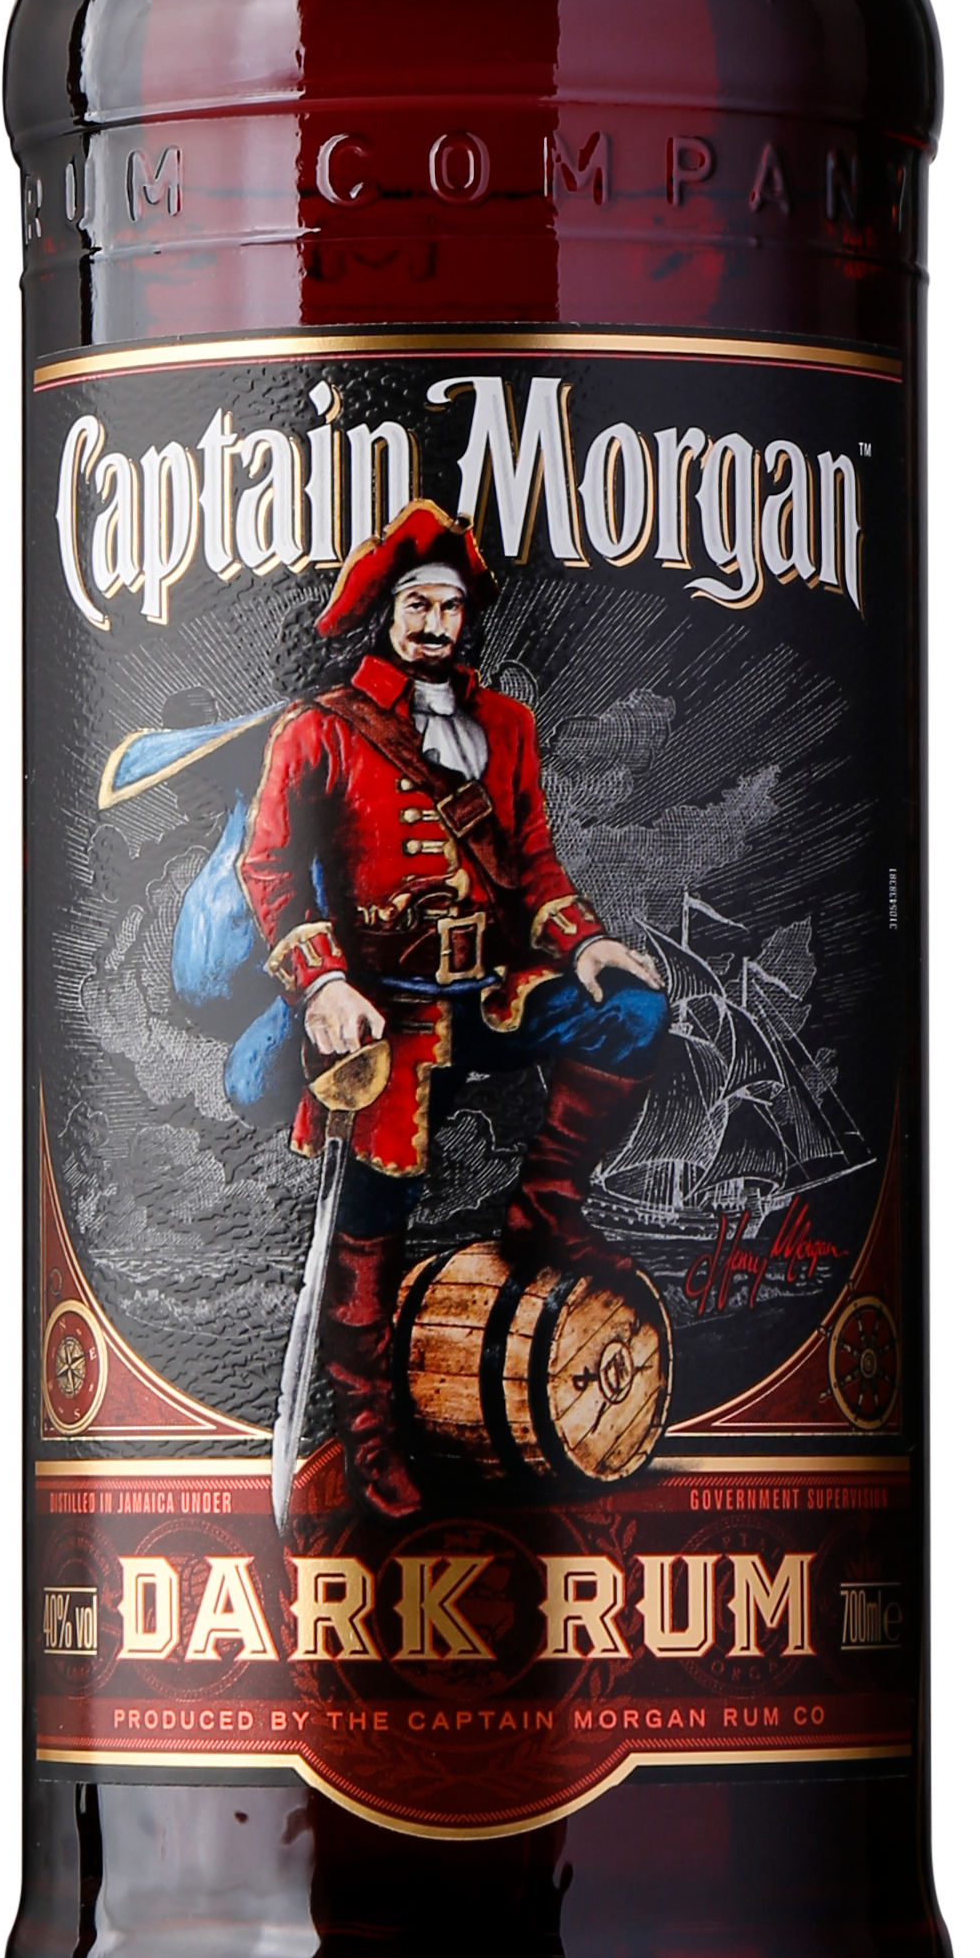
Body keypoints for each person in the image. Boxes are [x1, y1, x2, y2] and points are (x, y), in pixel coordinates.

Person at [239, 503, 670, 1514]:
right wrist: (323, 982)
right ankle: (368, 1432)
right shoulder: (318, 730)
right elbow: (271, 870)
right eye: (417, 605)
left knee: (634, 1016)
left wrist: (585, 942)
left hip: (492, 992)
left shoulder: (506, 726)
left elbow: (534, 864)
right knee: (370, 1231)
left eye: (449, 606)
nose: (435, 623)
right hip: (385, 1016)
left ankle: (543, 1209)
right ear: (386, 614)